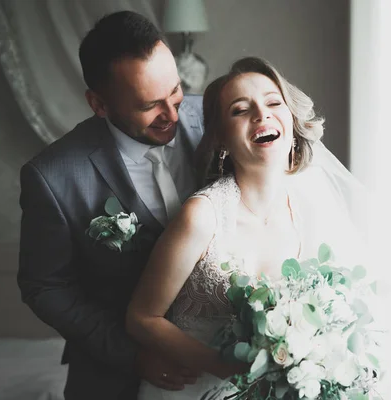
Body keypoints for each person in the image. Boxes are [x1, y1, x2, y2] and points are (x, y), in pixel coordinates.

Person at [126, 57, 367, 399]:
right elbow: (141, 317)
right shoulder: (202, 216)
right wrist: (224, 367)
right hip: (194, 389)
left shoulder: (311, 205)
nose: (261, 115)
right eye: (240, 110)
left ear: (291, 121)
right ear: (222, 139)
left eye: (273, 102)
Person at [17, 11, 205, 400]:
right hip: (115, 379)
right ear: (99, 104)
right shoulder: (52, 177)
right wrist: (132, 354)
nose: (172, 113)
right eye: (150, 104)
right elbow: (46, 287)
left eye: (175, 90)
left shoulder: (215, 119)